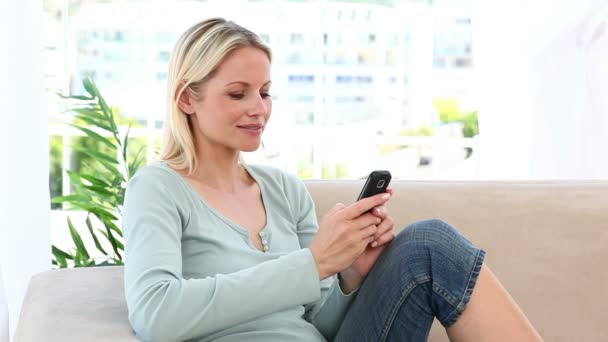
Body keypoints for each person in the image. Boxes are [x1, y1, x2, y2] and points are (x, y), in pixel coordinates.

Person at [123, 18, 543, 342]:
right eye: (238, 93)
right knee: (430, 243)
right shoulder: (158, 188)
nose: (259, 109)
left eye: (265, 92)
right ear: (185, 99)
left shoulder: (284, 190)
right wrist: (315, 262)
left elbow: (321, 322)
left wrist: (351, 275)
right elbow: (156, 313)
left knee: (427, 247)